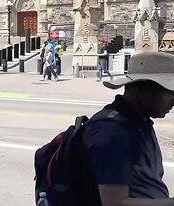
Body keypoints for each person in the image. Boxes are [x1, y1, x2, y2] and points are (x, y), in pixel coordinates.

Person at [70, 52, 174, 205]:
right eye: (169, 91)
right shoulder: (111, 131)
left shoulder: (139, 122)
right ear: (139, 90)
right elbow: (115, 203)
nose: (173, 101)